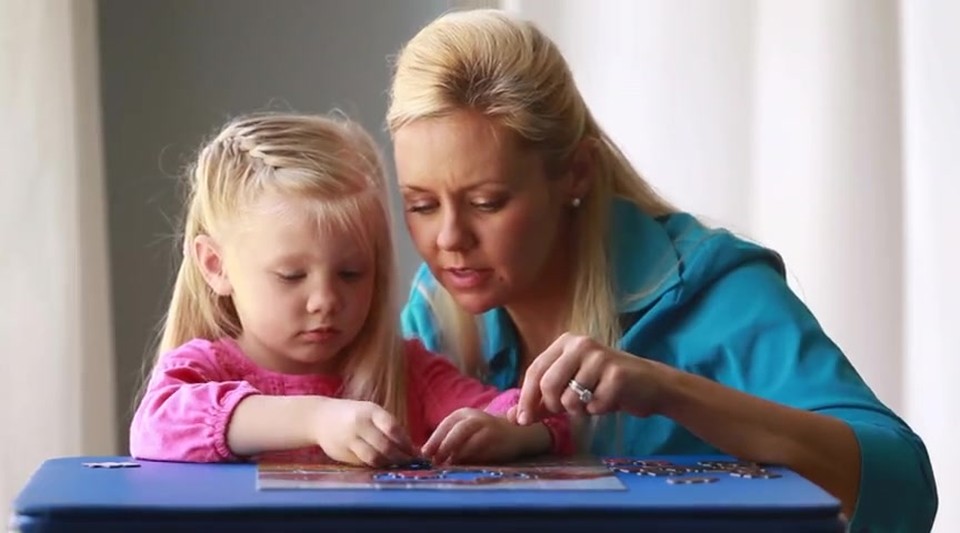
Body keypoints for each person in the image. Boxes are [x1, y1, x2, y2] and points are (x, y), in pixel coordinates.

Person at [387, 9, 936, 532]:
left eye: (486, 202)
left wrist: (669, 391)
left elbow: (904, 490)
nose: (449, 239)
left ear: (576, 172)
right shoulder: (435, 308)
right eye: (421, 205)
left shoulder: (716, 291)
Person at [129, 112, 571, 467]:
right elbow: (156, 426)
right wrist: (316, 418)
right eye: (291, 275)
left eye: (351, 273)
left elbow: (544, 418)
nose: (325, 300)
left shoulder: (407, 371)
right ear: (215, 265)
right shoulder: (206, 369)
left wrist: (512, 432)